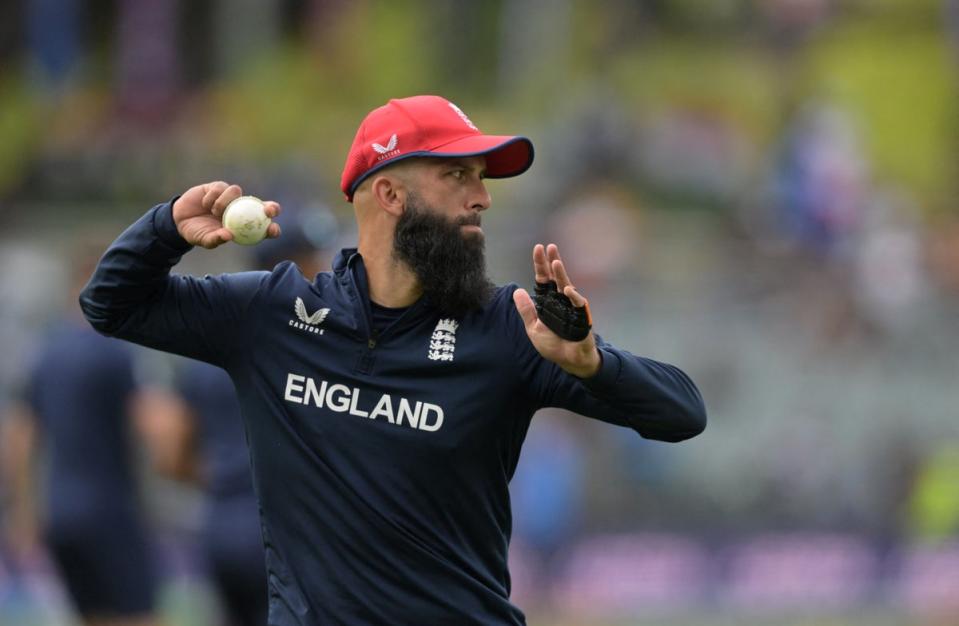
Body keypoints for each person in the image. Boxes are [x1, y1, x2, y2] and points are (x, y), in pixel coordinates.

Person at [79, 94, 707, 625]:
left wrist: (590, 361)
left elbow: (683, 413)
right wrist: (164, 228)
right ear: (389, 193)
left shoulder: (509, 328)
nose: (482, 198)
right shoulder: (271, 315)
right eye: (458, 176)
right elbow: (110, 304)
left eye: (481, 177)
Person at [138, 209, 337, 626]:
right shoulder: (312, 348)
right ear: (289, 267)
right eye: (312, 259)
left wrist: (222, 475)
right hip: (287, 531)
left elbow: (170, 455)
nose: (323, 269)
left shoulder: (210, 347)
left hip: (223, 525)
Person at [2, 245, 161, 626]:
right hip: (110, 510)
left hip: (60, 514)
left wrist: (24, 511)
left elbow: (21, 437)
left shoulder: (45, 352)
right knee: (141, 616)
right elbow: (154, 426)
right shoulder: (116, 350)